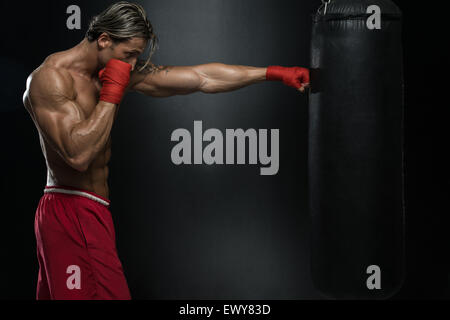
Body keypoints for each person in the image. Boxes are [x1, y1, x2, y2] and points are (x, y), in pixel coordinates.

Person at [22, 1, 310, 300]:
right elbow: (78, 156)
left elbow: (202, 78)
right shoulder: (51, 79)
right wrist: (112, 93)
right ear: (104, 40)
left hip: (93, 211)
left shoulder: (111, 70)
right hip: (71, 210)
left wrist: (273, 73)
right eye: (129, 55)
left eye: (137, 56)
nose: (132, 65)